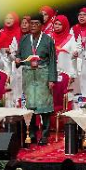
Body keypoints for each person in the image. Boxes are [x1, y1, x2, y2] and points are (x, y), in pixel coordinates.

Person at [17, 14, 56, 145]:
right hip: (28, 75)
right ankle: (31, 134)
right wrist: (17, 60)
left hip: (43, 74)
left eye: (36, 24)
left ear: (42, 25)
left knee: (45, 107)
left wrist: (51, 79)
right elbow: (19, 56)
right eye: (31, 24)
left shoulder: (48, 40)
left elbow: (52, 61)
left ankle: (44, 135)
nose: (33, 26)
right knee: (30, 106)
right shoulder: (23, 39)